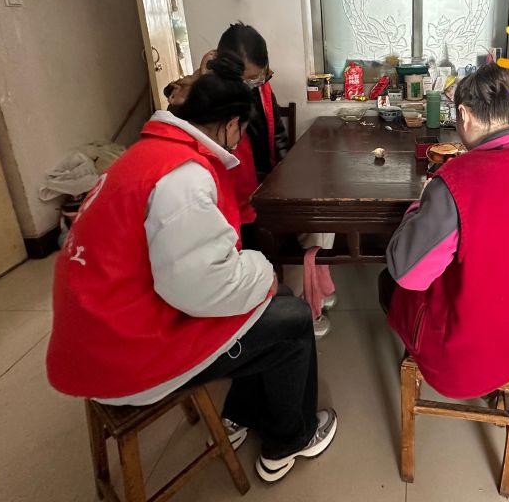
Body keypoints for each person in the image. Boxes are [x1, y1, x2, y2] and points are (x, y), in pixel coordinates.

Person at [47, 56, 337, 483]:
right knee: (291, 318)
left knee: (266, 304)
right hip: (125, 355)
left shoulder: (147, 153)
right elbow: (201, 288)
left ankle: (241, 414)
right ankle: (289, 440)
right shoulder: (182, 176)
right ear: (231, 124)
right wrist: (261, 269)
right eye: (241, 131)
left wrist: (255, 278)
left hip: (96, 336)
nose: (240, 140)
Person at [380, 64, 509, 399]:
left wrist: (420, 206)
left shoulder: (455, 181)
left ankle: (435, 359)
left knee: (390, 280)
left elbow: (408, 274)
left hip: (461, 365)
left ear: (464, 115)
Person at [166, 23, 337, 338]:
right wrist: (199, 78)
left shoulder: (260, 89)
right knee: (305, 229)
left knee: (321, 215)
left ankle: (310, 293)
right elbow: (183, 124)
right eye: (249, 79)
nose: (256, 84)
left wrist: (286, 173)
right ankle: (298, 307)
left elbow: (277, 139)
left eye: (261, 77)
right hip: (238, 203)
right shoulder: (209, 101)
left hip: (262, 188)